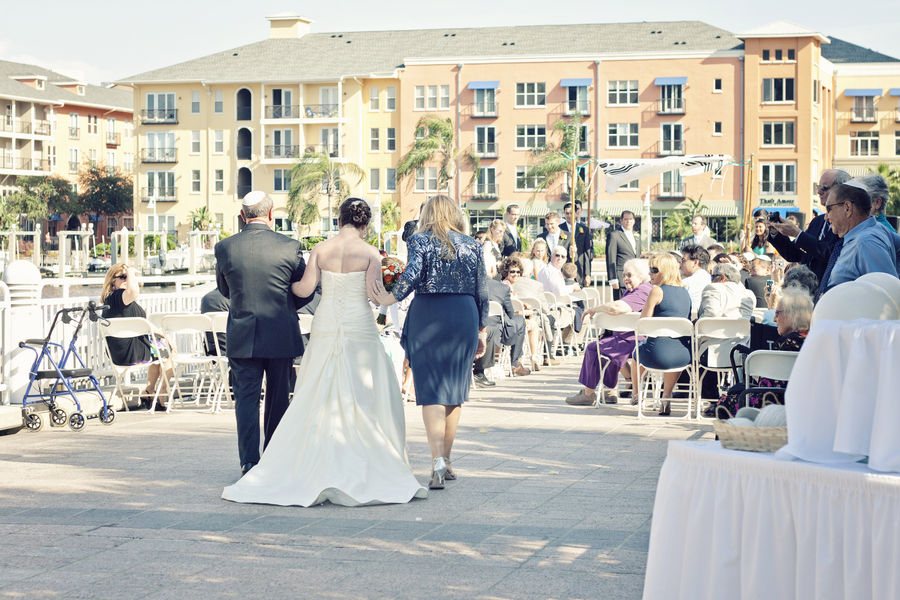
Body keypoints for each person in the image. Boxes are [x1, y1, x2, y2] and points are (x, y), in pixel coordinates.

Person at [222, 198, 427, 507]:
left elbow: (304, 290)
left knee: (316, 391)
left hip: (327, 324)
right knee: (364, 393)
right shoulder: (372, 253)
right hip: (358, 325)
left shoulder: (320, 250)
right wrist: (395, 289)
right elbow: (378, 298)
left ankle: (285, 460)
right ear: (365, 225)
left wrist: (275, 288)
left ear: (339, 219)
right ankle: (364, 455)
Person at [372, 195, 488, 490]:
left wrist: (387, 299)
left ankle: (436, 460)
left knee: (431, 390)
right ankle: (446, 460)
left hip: (428, 314)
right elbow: (482, 289)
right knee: (454, 389)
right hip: (464, 314)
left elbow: (411, 276)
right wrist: (482, 330)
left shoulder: (420, 240)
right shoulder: (473, 245)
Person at [214, 191, 311, 477]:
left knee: (245, 399)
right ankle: (274, 458)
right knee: (278, 397)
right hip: (280, 332)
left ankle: (249, 462)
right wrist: (284, 306)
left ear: (242, 216)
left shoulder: (225, 247)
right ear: (271, 215)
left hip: (242, 333)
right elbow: (305, 289)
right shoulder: (290, 247)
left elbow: (224, 290)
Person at [566, 258, 652, 406]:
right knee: (609, 345)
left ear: (641, 276)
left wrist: (594, 308)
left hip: (636, 341)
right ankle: (610, 391)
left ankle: (588, 393)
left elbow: (617, 308)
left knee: (594, 348)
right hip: (631, 339)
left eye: (629, 275)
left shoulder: (643, 291)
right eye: (624, 275)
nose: (625, 279)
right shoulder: (635, 290)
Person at [101, 263, 173, 410]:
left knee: (159, 349)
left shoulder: (118, 301)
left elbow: (144, 324)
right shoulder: (118, 298)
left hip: (119, 354)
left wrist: (165, 335)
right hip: (130, 353)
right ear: (112, 282)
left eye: (128, 276)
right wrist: (131, 272)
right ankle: (160, 393)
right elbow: (134, 291)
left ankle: (148, 391)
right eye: (122, 277)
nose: (127, 279)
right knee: (168, 353)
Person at [631, 253, 692, 416]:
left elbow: (642, 323)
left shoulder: (656, 291)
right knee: (672, 346)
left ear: (665, 271)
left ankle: (636, 395)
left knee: (636, 353)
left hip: (656, 355)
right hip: (682, 356)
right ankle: (666, 396)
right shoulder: (685, 292)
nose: (649, 273)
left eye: (654, 269)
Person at [818, 181, 900, 298]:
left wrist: (837, 298)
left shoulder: (866, 242)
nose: (826, 217)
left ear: (847, 208)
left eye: (829, 209)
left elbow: (888, 296)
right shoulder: (874, 231)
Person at [768, 168, 851, 283]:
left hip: (828, 289)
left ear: (841, 190)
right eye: (818, 187)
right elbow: (795, 254)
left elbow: (832, 253)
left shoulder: (848, 221)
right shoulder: (817, 221)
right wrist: (775, 232)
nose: (819, 192)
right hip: (807, 290)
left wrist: (798, 234)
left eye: (824, 188)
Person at [499, 257, 543, 371]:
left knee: (531, 323)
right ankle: (533, 357)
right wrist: (527, 312)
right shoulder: (506, 286)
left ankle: (531, 358)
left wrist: (522, 304)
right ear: (505, 272)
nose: (516, 274)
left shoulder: (506, 285)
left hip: (508, 320)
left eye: (518, 272)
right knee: (533, 325)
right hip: (509, 322)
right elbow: (510, 310)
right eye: (512, 271)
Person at [486, 272, 530, 377]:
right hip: (497, 330)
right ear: (492, 270)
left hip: (472, 328)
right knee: (519, 320)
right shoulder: (501, 287)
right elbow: (510, 313)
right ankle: (515, 364)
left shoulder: (466, 285)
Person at [606, 210, 639, 300]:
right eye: (626, 219)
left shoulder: (636, 236)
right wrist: (613, 278)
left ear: (634, 221)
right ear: (621, 221)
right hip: (621, 278)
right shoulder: (614, 235)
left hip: (635, 278)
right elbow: (610, 258)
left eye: (630, 219)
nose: (628, 221)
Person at [561, 201, 593, 285]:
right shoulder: (560, 229)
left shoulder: (584, 229)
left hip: (580, 271)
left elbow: (587, 253)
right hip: (563, 271)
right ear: (564, 213)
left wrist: (587, 274)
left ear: (576, 213)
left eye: (571, 213)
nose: (569, 215)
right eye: (567, 213)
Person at [679, 244, 712, 314]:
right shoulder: (712, 280)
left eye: (683, 261)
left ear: (695, 262)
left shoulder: (685, 283)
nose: (680, 265)